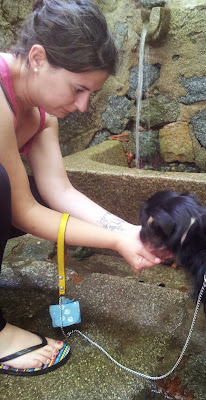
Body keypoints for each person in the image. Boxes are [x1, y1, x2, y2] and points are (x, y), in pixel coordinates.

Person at [0, 0, 161, 376]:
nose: (84, 105)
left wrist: (130, 233)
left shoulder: (42, 112)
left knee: (34, 192)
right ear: (37, 58)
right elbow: (21, 210)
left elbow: (59, 192)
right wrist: (115, 243)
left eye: (90, 93)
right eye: (77, 89)